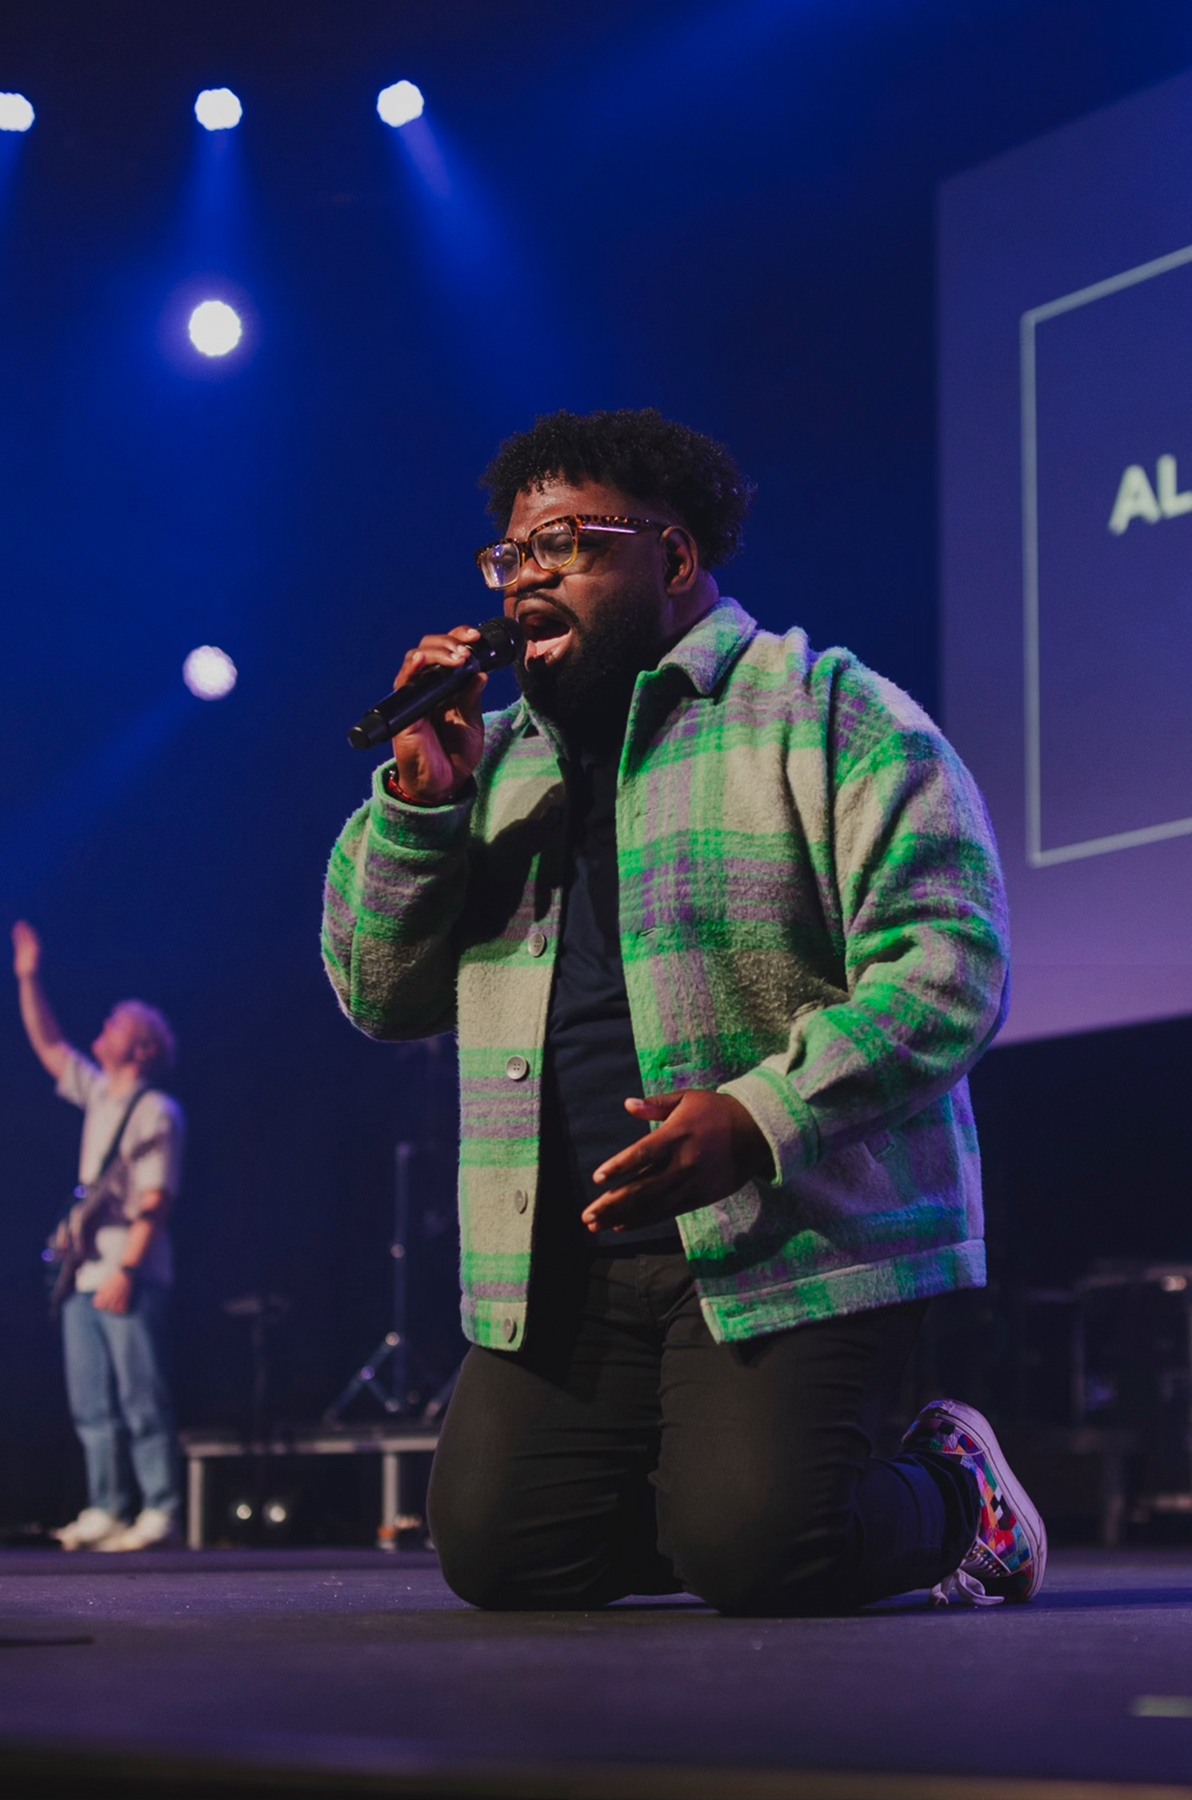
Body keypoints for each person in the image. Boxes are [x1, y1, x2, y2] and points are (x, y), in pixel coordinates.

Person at [323, 407, 1045, 1614]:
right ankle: (717, 1499)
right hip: (567, 1260)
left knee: (767, 1555)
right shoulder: (483, 764)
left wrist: (758, 1119)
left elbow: (949, 967)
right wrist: (419, 807)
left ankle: (956, 1491)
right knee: (503, 1559)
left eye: (567, 545)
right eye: (511, 555)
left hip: (794, 1241)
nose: (526, 578)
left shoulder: (831, 715)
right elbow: (378, 999)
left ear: (671, 558)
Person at [12, 920, 185, 1552]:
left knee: (142, 1396)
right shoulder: (98, 1096)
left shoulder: (155, 1111)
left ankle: (160, 1508)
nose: (104, 1030)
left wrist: (127, 1269)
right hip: (83, 1273)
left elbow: (156, 1198)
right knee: (92, 1402)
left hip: (125, 1271)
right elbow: (51, 1045)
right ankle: (107, 1506)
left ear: (140, 1049)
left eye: (117, 1026)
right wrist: (28, 977)